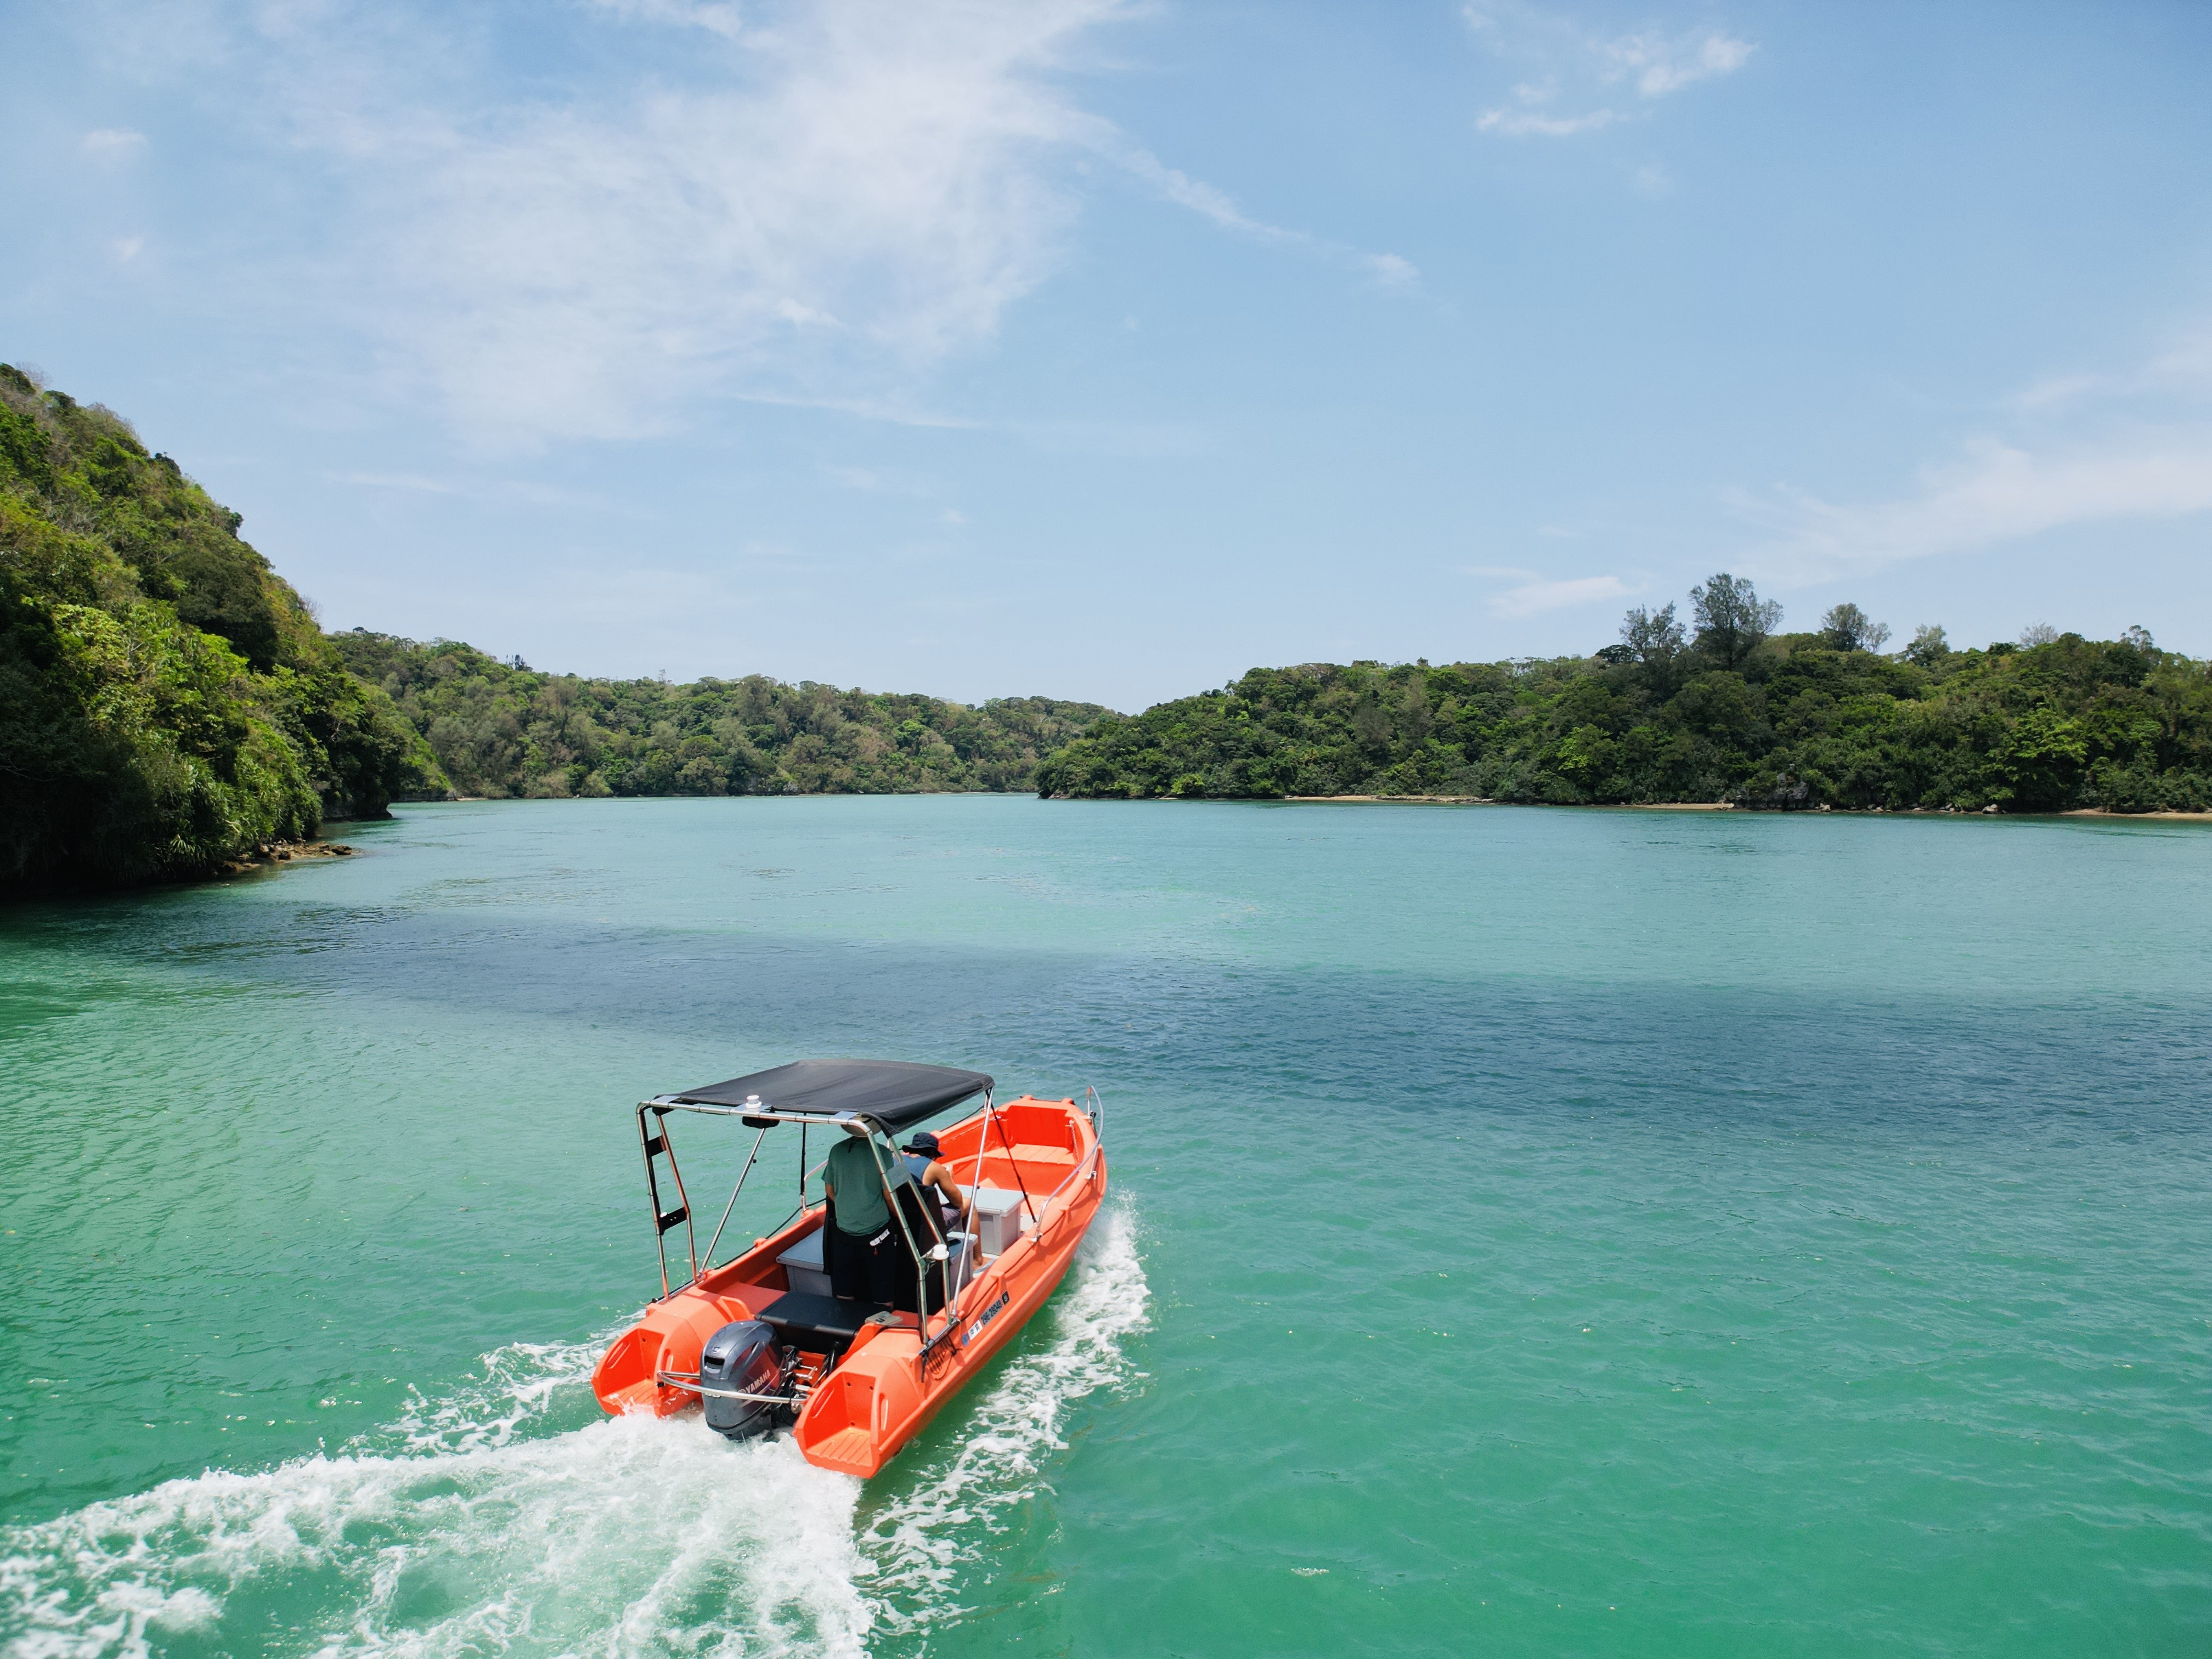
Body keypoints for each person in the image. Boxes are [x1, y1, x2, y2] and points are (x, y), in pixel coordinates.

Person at [821, 1116, 946, 1312]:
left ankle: (845, 1322)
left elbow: (830, 1190)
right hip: (877, 1233)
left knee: (845, 1289)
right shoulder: (883, 1153)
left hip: (843, 1231)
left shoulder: (836, 1150)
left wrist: (851, 1207)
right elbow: (890, 1195)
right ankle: (883, 1319)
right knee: (883, 1289)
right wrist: (899, 1218)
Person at [900, 1131, 972, 1240]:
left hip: (898, 1221)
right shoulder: (934, 1167)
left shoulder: (896, 1160)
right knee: (968, 1203)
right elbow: (957, 1202)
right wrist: (948, 1177)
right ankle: (977, 1257)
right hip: (922, 1225)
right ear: (933, 1154)